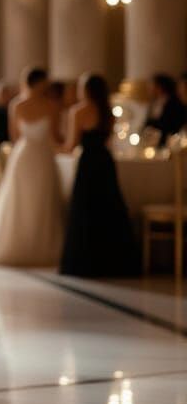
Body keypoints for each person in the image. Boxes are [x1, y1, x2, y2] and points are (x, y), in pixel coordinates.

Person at [0, 67, 64, 268]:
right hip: (38, 155)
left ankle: (36, 244)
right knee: (28, 199)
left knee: (39, 199)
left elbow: (15, 137)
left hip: (28, 154)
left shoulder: (20, 105)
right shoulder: (47, 106)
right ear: (37, 83)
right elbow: (54, 137)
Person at [59, 74, 139, 277]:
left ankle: (85, 262)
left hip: (88, 164)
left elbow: (71, 145)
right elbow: (107, 140)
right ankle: (114, 262)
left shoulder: (78, 112)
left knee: (86, 211)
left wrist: (53, 147)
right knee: (108, 209)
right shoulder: (108, 112)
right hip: (104, 162)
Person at [145, 73, 185, 144]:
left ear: (159, 87)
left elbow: (171, 127)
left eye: (151, 85)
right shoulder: (153, 104)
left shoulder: (174, 104)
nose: (149, 88)